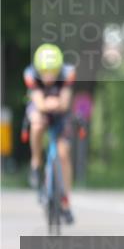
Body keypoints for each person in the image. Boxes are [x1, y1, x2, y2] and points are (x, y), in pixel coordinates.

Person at [23, 44, 76, 223]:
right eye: (44, 72)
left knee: (63, 153)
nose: (48, 76)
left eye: (52, 71)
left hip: (61, 114)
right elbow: (38, 103)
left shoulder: (68, 73)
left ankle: (65, 201)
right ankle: (36, 161)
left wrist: (57, 104)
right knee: (36, 124)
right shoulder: (30, 74)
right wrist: (48, 105)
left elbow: (66, 103)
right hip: (41, 110)